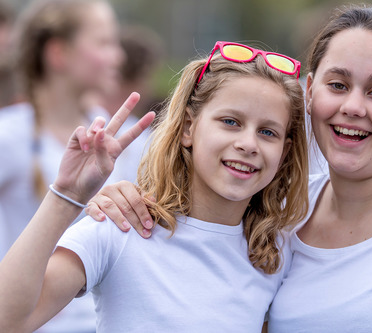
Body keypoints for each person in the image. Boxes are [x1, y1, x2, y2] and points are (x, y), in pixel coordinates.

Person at [86, 6, 372, 332]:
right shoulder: (280, 218)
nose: (353, 107)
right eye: (337, 85)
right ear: (310, 91)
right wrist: (115, 198)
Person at [0, 41, 309, 332]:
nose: (248, 144)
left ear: (284, 151)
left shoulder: (276, 254)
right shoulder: (121, 225)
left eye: (268, 132)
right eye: (230, 122)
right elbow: (9, 321)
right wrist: (66, 198)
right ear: (189, 127)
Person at [0, 0, 127, 331]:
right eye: (104, 42)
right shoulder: (10, 134)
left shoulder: (118, 135)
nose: (118, 56)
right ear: (58, 54)